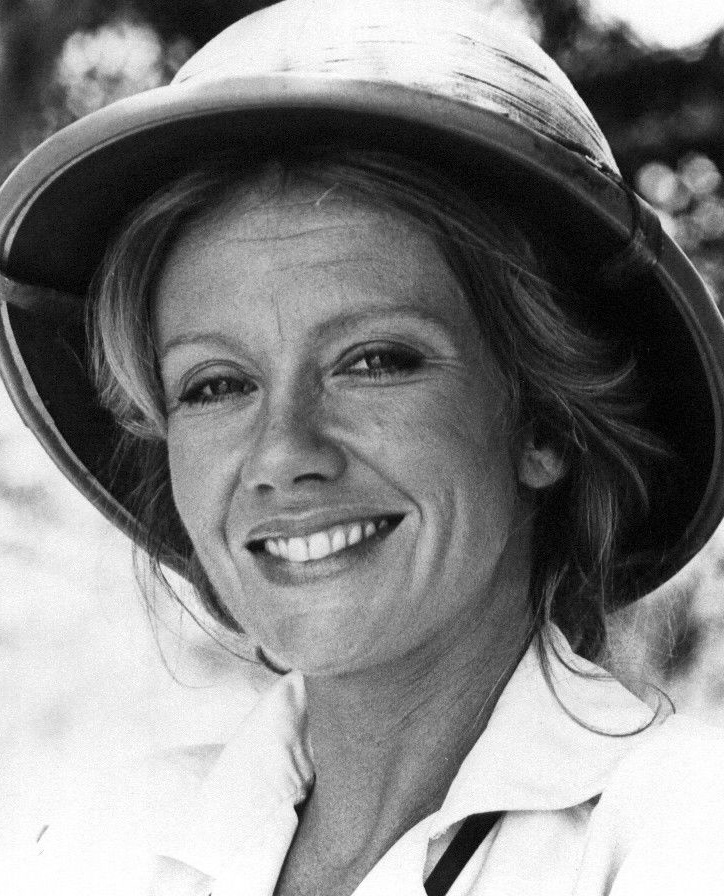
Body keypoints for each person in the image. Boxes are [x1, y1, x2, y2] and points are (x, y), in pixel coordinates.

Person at [2, 0, 724, 893]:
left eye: (374, 361)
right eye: (215, 385)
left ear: (544, 422)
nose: (281, 453)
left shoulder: (680, 835)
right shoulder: (101, 843)